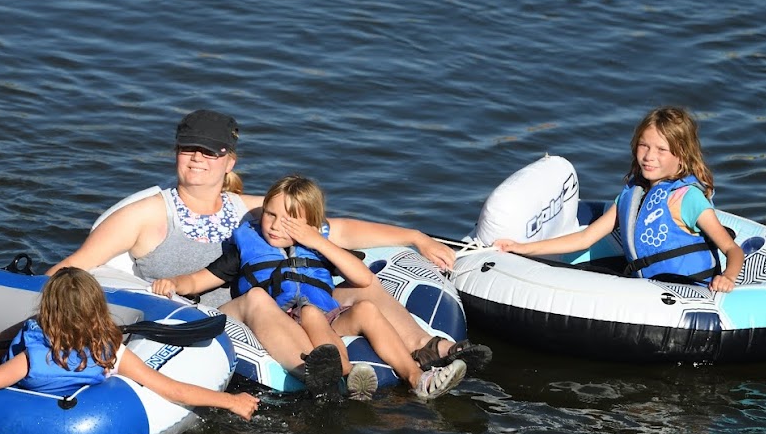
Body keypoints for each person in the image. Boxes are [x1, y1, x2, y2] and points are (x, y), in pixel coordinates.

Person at [47, 109, 490, 386]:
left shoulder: (252, 209)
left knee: (366, 289)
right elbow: (77, 265)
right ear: (176, 153)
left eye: (209, 152)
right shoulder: (146, 214)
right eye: (188, 150)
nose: (197, 159)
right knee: (258, 296)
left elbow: (340, 231)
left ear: (229, 161)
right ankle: (314, 369)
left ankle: (428, 349)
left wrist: (413, 235)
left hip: (286, 303)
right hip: (212, 314)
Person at [151, 175, 466, 401]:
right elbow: (201, 280)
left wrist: (316, 240)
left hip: (320, 317)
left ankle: (416, 377)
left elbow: (365, 279)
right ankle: (341, 374)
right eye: (270, 215)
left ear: (310, 225)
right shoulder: (248, 247)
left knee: (363, 308)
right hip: (276, 318)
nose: (275, 226)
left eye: (289, 222)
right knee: (276, 300)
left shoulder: (318, 247)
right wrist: (175, 284)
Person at [0, 267, 259, 432]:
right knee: (4, 338)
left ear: (50, 312)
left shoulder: (31, 359)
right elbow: (170, 388)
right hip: (35, 351)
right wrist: (232, 401)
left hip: (9, 359)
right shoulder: (111, 353)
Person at [495, 106, 744, 292]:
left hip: (691, 290)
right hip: (648, 290)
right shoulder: (630, 196)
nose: (648, 156)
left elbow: (732, 249)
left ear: (681, 156)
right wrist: (521, 248)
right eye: (643, 146)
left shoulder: (687, 198)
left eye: (661, 150)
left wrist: (728, 277)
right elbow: (585, 238)